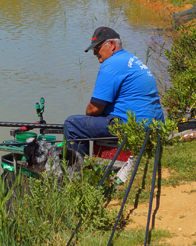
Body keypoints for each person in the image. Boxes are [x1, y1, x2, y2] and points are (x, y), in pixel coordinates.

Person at [62, 27, 164, 156]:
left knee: (73, 125)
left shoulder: (111, 64)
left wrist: (88, 115)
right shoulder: (130, 59)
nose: (95, 53)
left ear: (111, 44)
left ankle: (78, 172)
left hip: (134, 124)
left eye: (96, 48)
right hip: (155, 125)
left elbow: (94, 109)